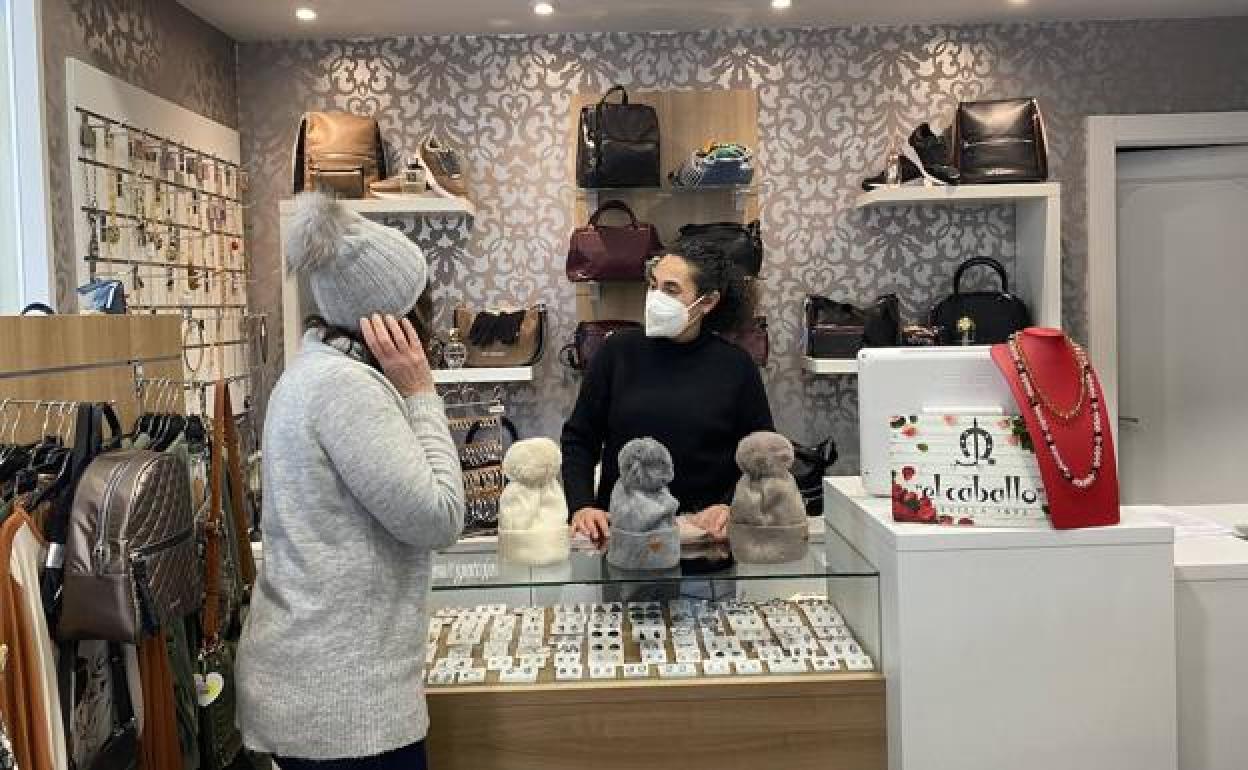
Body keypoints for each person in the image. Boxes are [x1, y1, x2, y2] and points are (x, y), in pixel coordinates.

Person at [237, 193, 465, 770]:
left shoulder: (311, 372)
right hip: (344, 710)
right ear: (396, 322)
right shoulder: (348, 391)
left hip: (315, 689)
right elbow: (438, 518)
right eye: (422, 299)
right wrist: (421, 393)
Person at [561, 241, 775, 544]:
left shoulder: (736, 366)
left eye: (671, 290)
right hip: (622, 535)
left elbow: (761, 455)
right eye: (653, 285)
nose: (655, 298)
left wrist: (731, 504)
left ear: (707, 301)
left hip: (705, 539)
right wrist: (582, 505)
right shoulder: (617, 352)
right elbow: (579, 439)